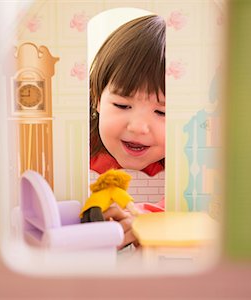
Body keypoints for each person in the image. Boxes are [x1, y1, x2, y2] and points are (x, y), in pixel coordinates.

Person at [89, 14, 166, 249]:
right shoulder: (78, 151)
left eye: (162, 112)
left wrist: (146, 219)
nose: (138, 127)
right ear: (97, 99)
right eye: (122, 105)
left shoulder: (193, 165)